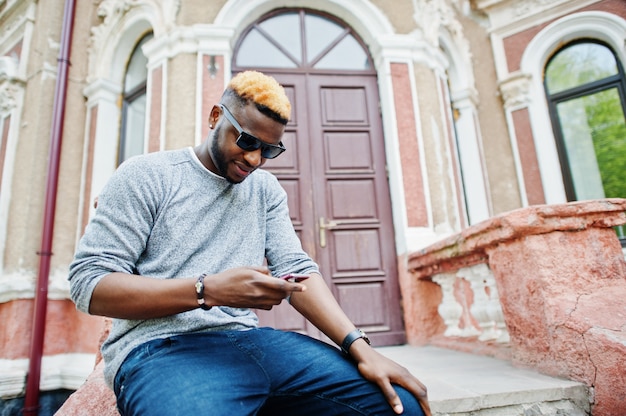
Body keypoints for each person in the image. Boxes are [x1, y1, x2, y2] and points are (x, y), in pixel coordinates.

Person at [69, 70, 431, 416]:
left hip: (251, 344)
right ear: (215, 117)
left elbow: (298, 270)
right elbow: (89, 285)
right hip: (158, 349)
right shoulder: (147, 175)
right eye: (246, 140)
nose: (255, 159)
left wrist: (359, 347)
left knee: (400, 405)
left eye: (269, 151)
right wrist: (206, 290)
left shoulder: (265, 190)